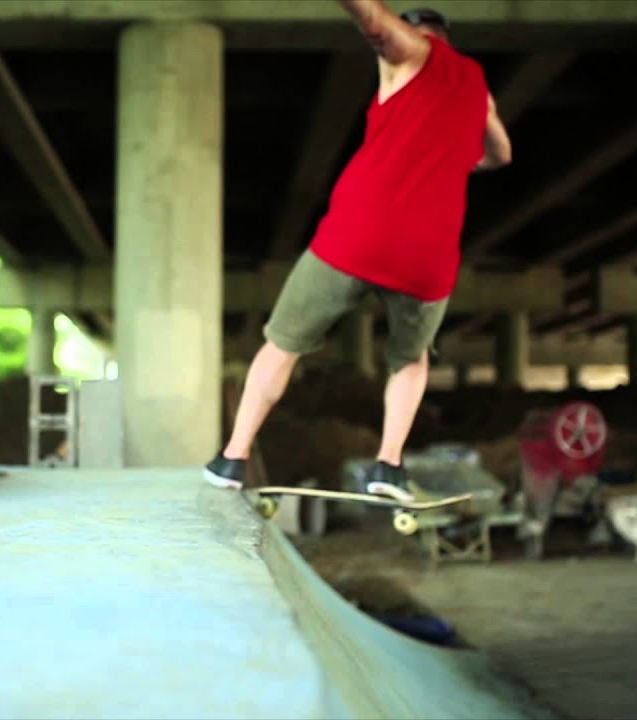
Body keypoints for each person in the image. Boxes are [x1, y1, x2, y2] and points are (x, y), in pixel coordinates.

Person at [203, 1, 512, 501]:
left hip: (358, 236)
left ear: (419, 33)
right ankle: (388, 465)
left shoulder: (411, 50)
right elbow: (502, 154)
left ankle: (232, 459)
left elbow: (371, 19)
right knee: (410, 360)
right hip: (428, 255)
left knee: (282, 344)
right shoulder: (478, 90)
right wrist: (456, 158)